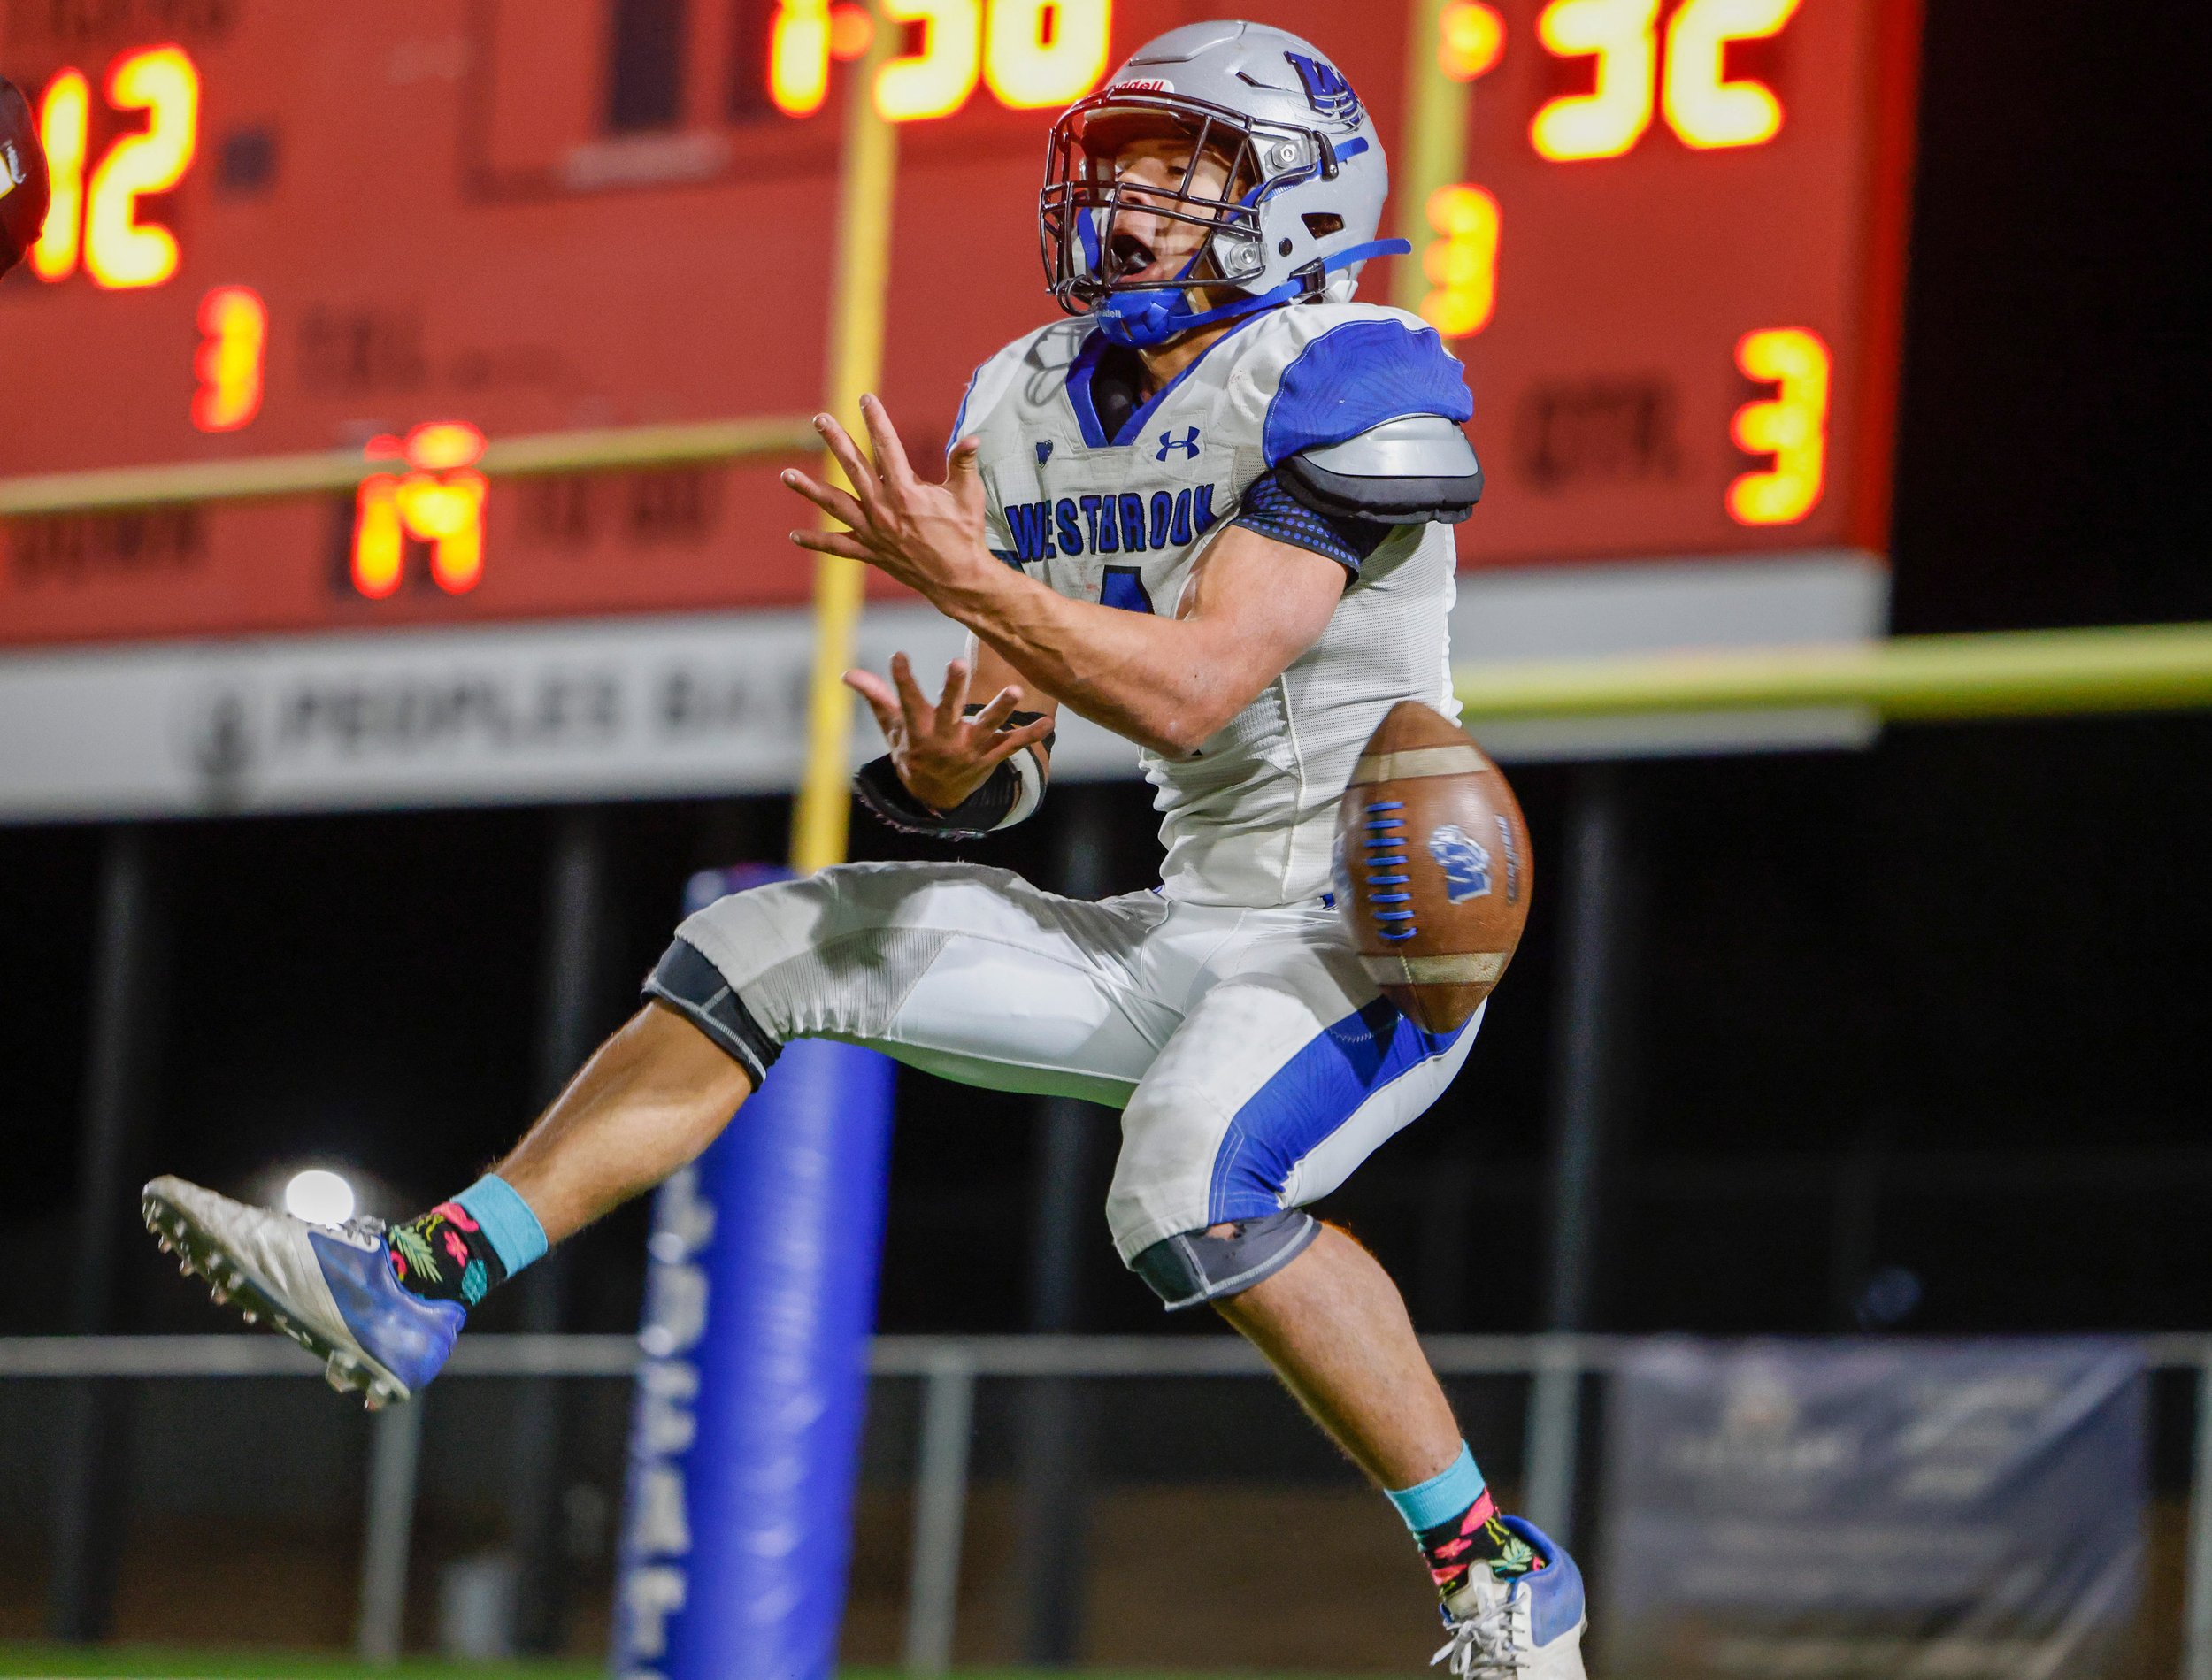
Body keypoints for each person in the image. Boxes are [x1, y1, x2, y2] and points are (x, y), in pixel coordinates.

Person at [142, 21, 1585, 1674]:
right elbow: (1015, 739)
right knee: (773, 945)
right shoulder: (1025, 399)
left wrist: (967, 584)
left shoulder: (1349, 367)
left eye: (1179, 174)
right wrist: (957, 772)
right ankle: (424, 1277)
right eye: (1117, 169)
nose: (1125, 208)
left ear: (1299, 200)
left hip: (1364, 933)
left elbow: (1195, 692)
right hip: (1196, 917)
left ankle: (1496, 1565)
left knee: (1186, 1184)